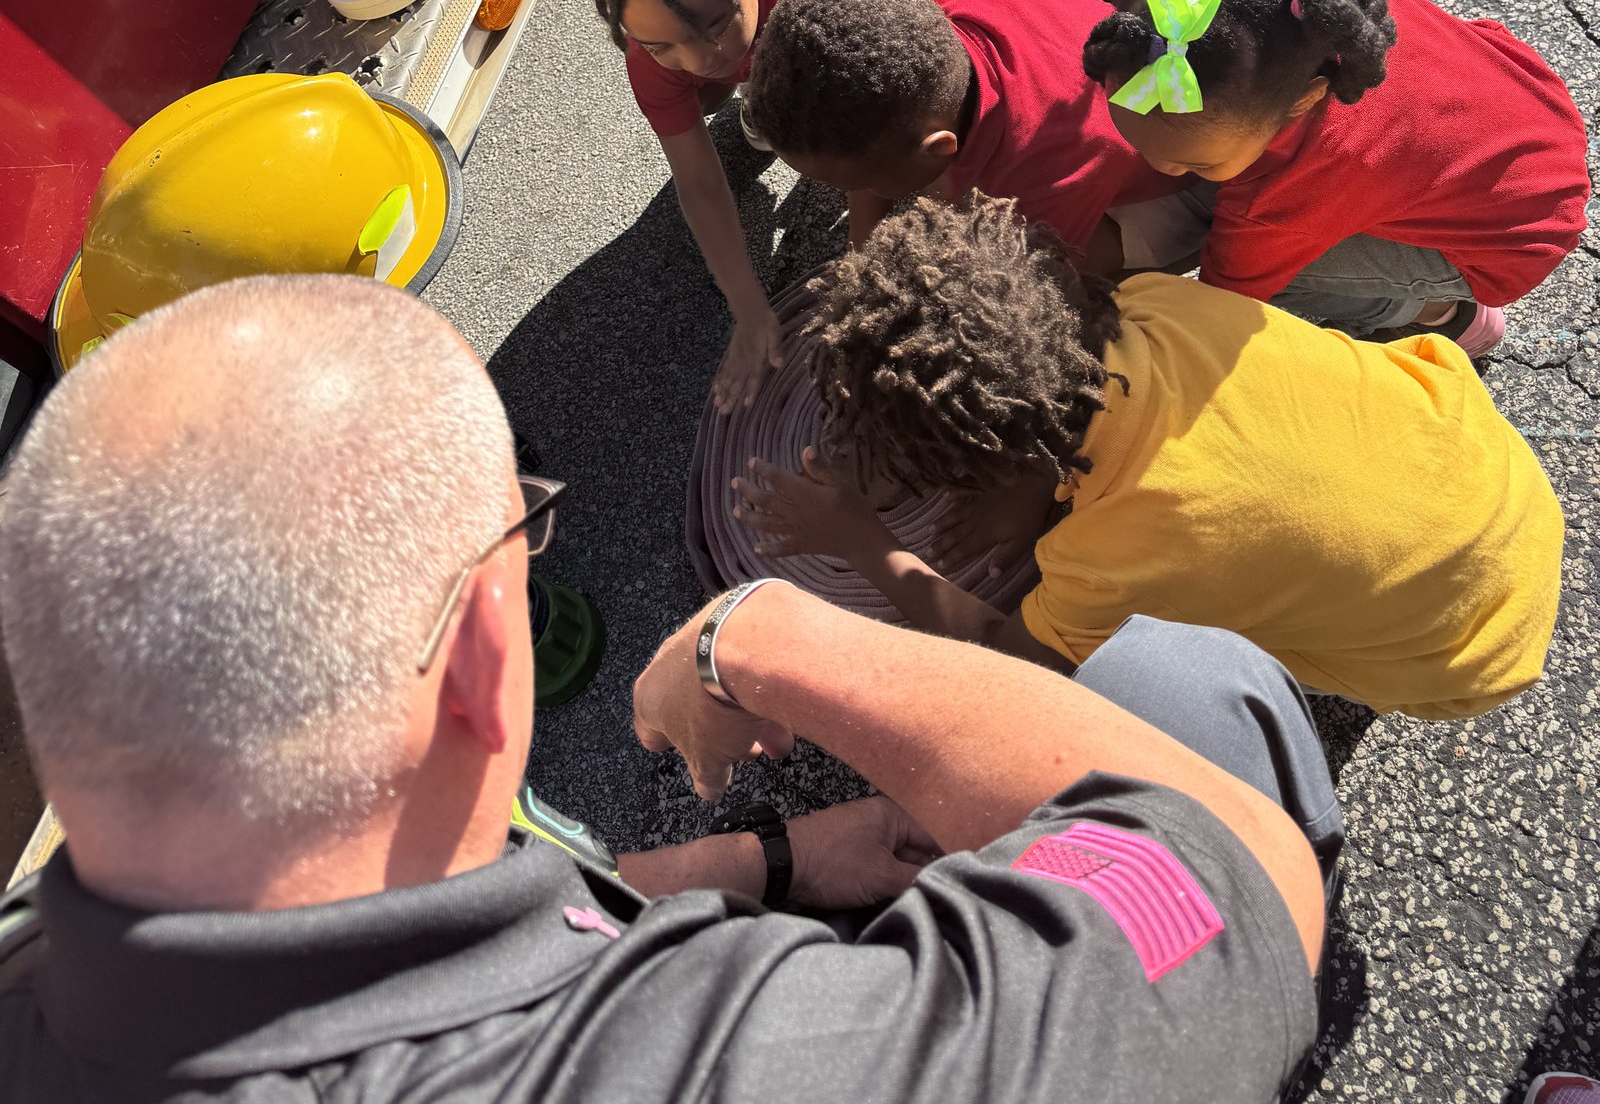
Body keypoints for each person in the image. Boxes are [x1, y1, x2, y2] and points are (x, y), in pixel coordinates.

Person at [0, 275, 1334, 1103]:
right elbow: (1229, 881)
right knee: (1182, 682)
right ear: (479, 660)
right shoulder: (758, 1063)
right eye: (524, 530)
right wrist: (760, 637)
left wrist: (772, 857)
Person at [733, 194, 1564, 721]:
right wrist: (1028, 482)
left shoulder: (1100, 559)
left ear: (985, 468)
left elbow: (1015, 659)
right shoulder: (1151, 301)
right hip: (1482, 456)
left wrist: (859, 541)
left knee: (1138, 682)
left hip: (1471, 648)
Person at [1082, 0, 1590, 355]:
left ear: (1306, 99)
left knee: (1277, 277)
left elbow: (1228, 296)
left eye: (1195, 162)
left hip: (1506, 236)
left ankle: (1443, 316)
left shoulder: (1291, 194)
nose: (1164, 171)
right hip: (1524, 103)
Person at [553, 0, 814, 408]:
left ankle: (772, 95)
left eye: (714, 24)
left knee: (815, 113)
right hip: (762, 20)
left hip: (822, 6)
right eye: (660, 44)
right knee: (702, 85)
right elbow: (698, 180)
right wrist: (749, 309)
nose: (696, 59)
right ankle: (754, 83)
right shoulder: (653, 52)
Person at [742, 0, 1177, 254]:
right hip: (1104, 28)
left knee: (1070, 259)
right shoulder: (943, 8)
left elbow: (1051, 283)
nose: (849, 193)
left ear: (938, 148)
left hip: (1181, 158)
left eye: (857, 183)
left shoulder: (1041, 179)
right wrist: (862, 254)